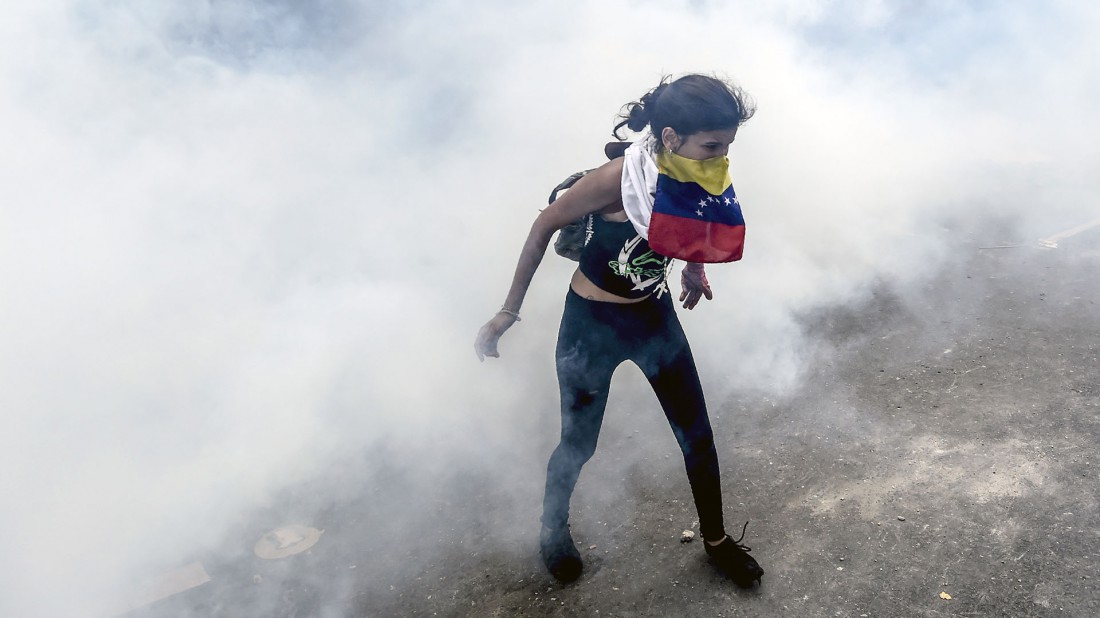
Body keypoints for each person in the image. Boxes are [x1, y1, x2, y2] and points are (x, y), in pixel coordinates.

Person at [474, 74, 764, 587]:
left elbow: (694, 228)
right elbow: (543, 224)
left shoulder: (694, 172)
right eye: (713, 145)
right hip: (593, 327)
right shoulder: (615, 180)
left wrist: (695, 270)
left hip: (654, 316)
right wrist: (507, 312)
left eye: (727, 147)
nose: (721, 157)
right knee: (578, 444)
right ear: (670, 137)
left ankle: (717, 541)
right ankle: (552, 530)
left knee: (697, 435)